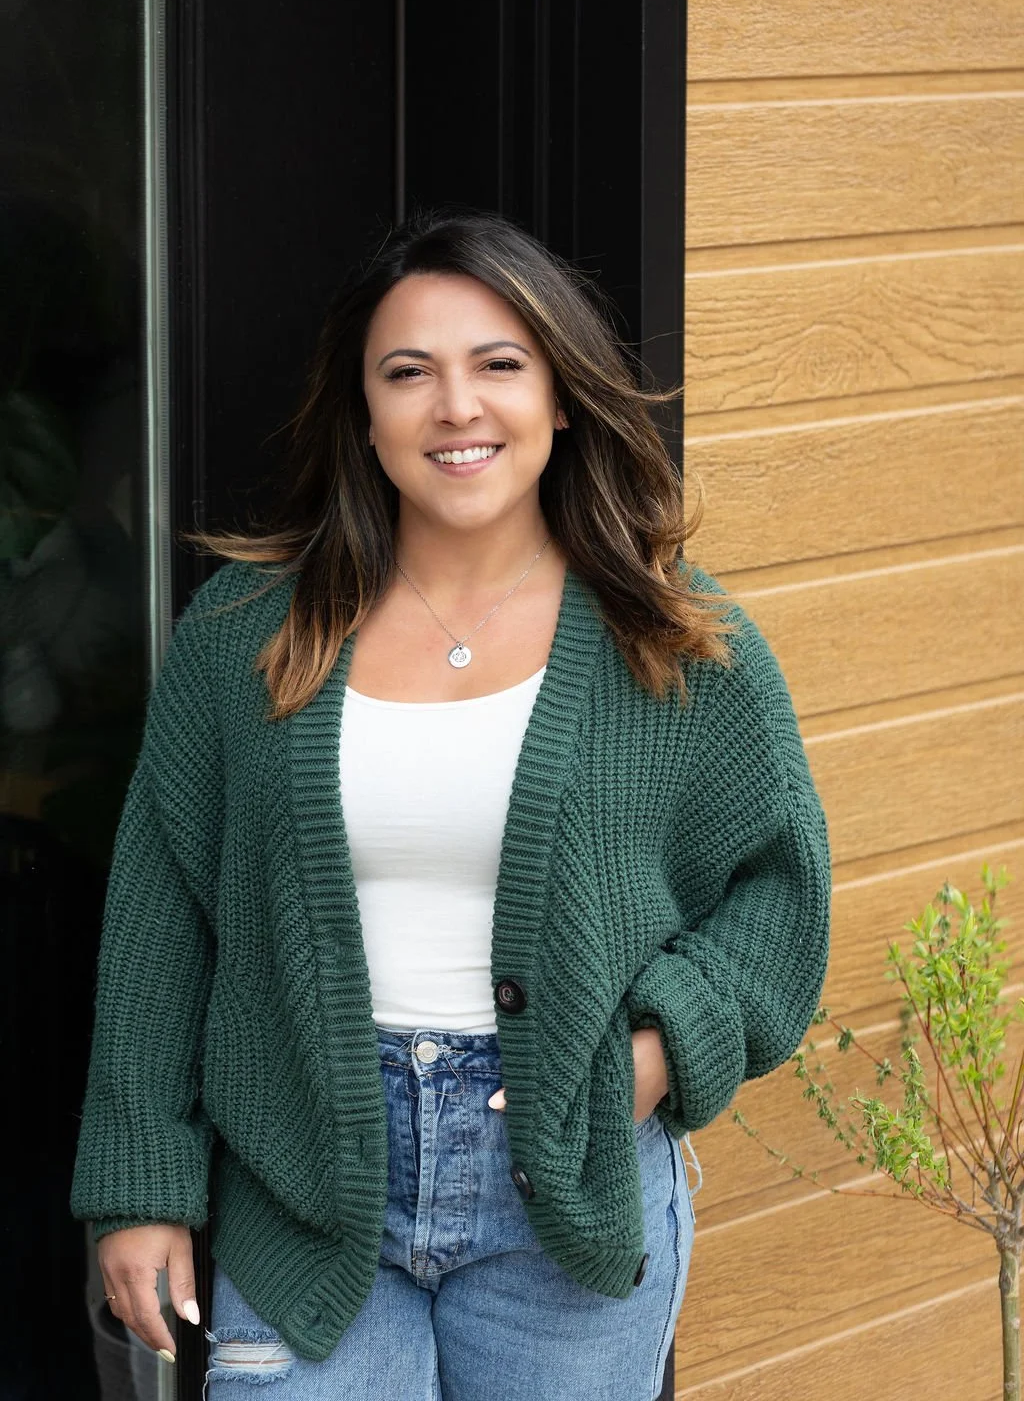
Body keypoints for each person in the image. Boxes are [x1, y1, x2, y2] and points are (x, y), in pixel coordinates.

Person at [70, 209, 832, 1400]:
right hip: (302, 1184)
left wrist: (646, 1057)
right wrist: (139, 1187)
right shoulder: (243, 636)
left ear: (561, 398)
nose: (454, 406)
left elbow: (778, 903)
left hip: (570, 1185)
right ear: (363, 415)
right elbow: (163, 920)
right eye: (408, 372)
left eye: (499, 365)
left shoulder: (674, 638)